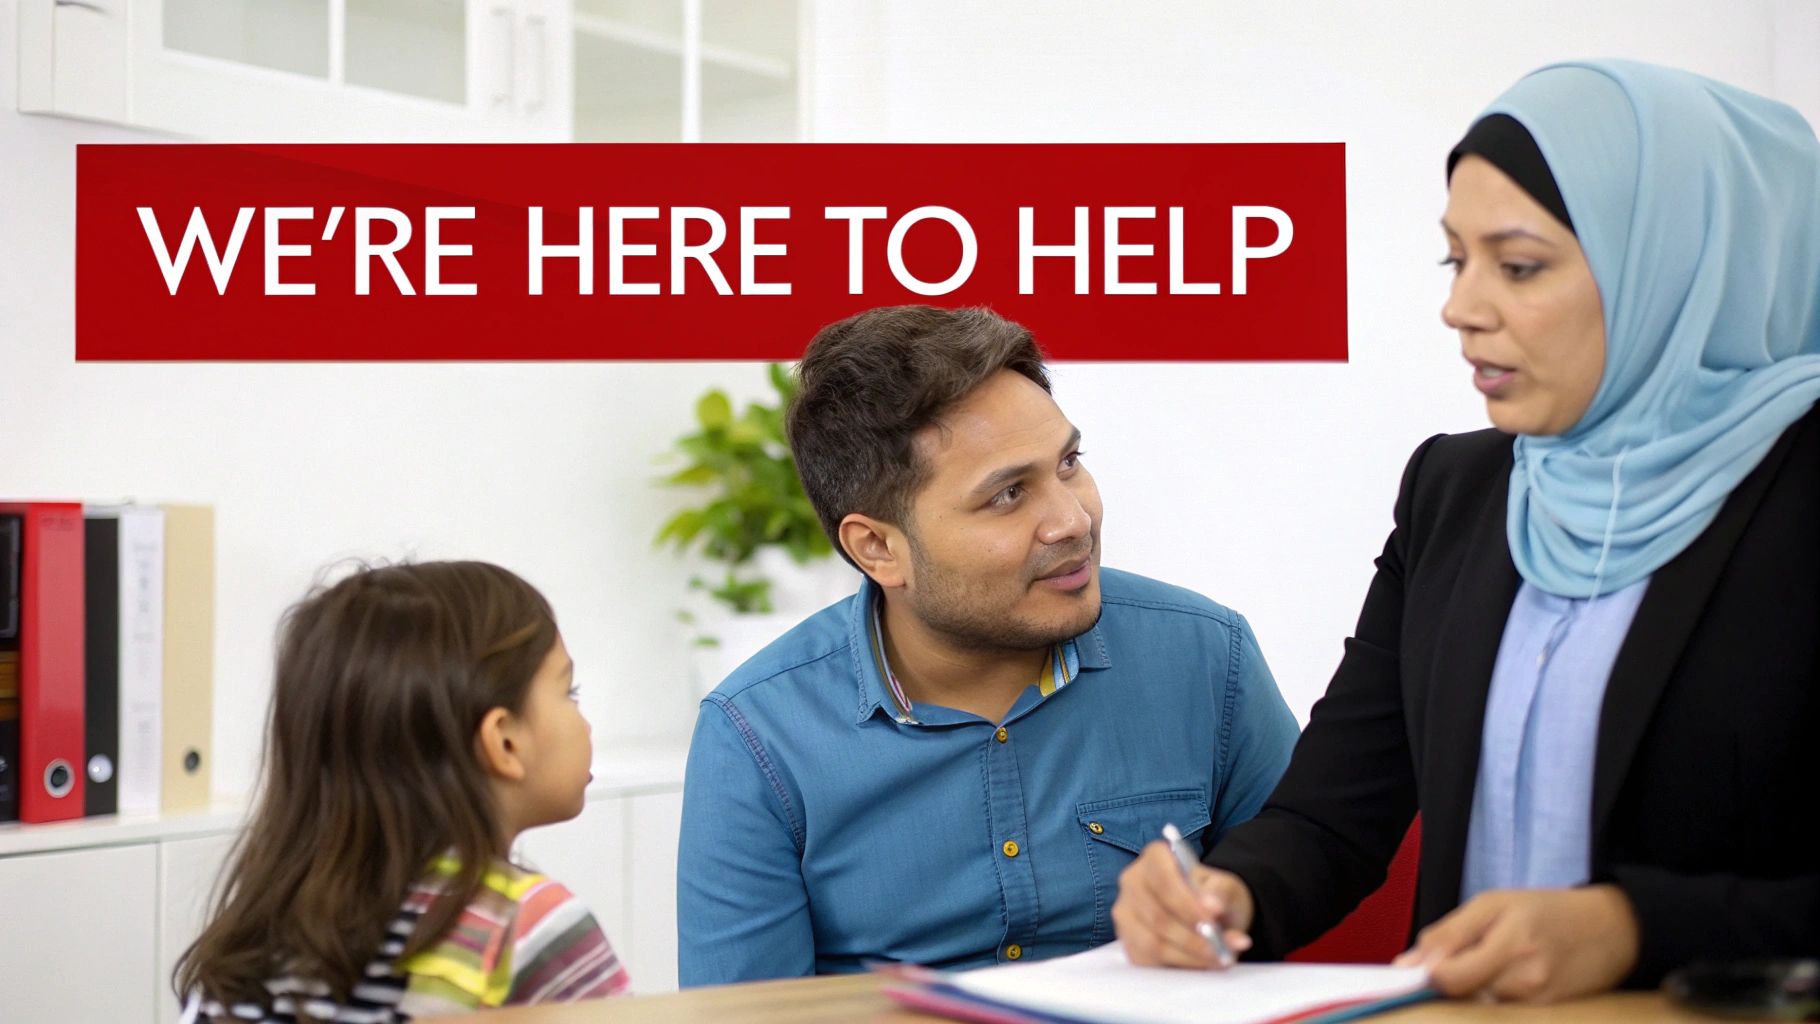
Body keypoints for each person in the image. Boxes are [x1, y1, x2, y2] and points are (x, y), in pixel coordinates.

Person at [1113, 58, 1820, 1003]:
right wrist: (1228, 892)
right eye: (1458, 259)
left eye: (1518, 265)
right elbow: (1333, 816)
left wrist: (1633, 927)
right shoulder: (1458, 488)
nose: (1461, 307)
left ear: (1675, 263)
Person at [676, 305, 1301, 984]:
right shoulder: (759, 735)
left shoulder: (1208, 657)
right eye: (1007, 495)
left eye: (1068, 464)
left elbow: (1308, 898)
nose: (1072, 520)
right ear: (879, 548)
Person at [176, 561, 630, 1021]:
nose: (583, 720)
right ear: (504, 740)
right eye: (568, 692)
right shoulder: (529, 929)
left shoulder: (257, 939)